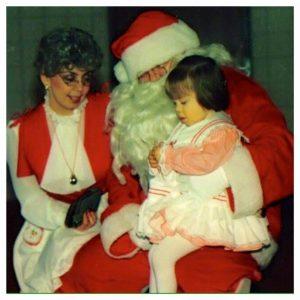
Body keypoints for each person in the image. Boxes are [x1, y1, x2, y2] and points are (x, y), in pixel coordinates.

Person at [45, 10, 292, 293]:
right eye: (144, 75)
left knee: (204, 276)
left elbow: (281, 151)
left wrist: (217, 184)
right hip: (153, 221)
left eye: (161, 67)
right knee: (83, 273)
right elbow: (121, 176)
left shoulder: (229, 87)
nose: (154, 80)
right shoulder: (132, 114)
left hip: (221, 223)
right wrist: (125, 216)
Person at [6, 27, 140, 293]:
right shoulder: (18, 131)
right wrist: (68, 217)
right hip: (50, 231)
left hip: (107, 217)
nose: (80, 88)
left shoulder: (108, 109)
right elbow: (30, 199)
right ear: (46, 77)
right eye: (69, 78)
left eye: (85, 78)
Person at [136, 55, 271, 292]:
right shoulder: (185, 128)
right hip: (192, 205)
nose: (178, 109)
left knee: (162, 256)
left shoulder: (222, 130)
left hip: (211, 211)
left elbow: (204, 162)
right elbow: (177, 169)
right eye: (175, 103)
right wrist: (158, 162)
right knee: (156, 253)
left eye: (184, 102)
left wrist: (169, 156)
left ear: (206, 95)